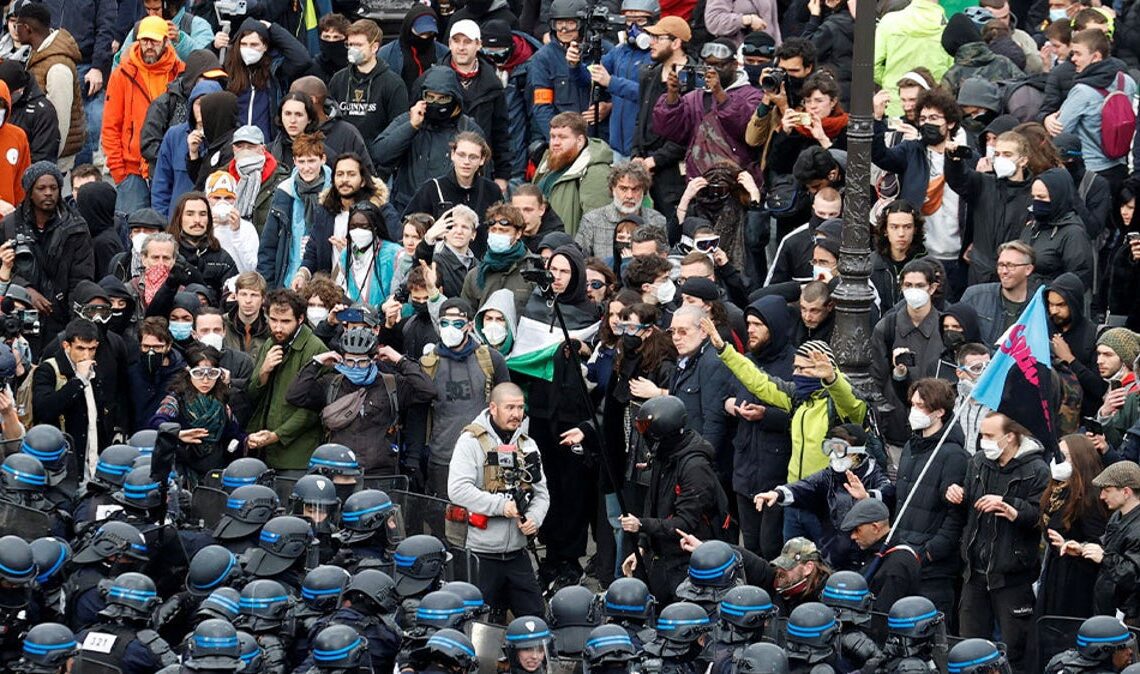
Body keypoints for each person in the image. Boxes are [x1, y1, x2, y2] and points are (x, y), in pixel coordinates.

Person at [949, 412, 1050, 672]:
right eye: (982, 435)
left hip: (1012, 576)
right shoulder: (979, 462)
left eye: (989, 436)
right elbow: (966, 505)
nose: (983, 441)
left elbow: (1042, 516)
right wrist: (954, 492)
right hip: (974, 572)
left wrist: (1012, 508)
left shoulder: (1037, 469)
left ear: (1010, 437)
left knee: (1014, 649)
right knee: (969, 645)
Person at [449, 382, 550, 617]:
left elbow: (542, 493)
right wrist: (502, 506)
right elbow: (457, 490)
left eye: (520, 408)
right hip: (479, 554)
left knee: (536, 620)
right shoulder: (471, 441)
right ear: (493, 408)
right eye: (510, 408)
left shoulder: (528, 445)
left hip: (517, 553)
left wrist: (534, 518)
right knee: (477, 624)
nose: (516, 414)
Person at [618, 395, 726, 603]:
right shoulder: (664, 456)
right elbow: (652, 503)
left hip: (689, 561)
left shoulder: (695, 469)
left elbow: (685, 524)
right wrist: (642, 546)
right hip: (663, 558)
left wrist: (641, 525)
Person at [287, 326, 435, 475]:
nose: (356, 366)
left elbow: (427, 391)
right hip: (339, 470)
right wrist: (316, 362)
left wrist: (400, 360)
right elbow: (295, 395)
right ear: (341, 359)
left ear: (374, 359)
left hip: (380, 473)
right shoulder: (331, 384)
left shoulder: (391, 385)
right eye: (350, 361)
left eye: (362, 361)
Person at [406, 298, 511, 496]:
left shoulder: (491, 359)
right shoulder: (428, 363)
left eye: (457, 323)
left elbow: (508, 409)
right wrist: (414, 459)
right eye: (444, 323)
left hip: (484, 457)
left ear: (469, 325)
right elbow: (417, 414)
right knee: (442, 520)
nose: (450, 328)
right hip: (442, 458)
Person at [371, 66, 487, 215]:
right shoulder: (410, 120)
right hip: (407, 211)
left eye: (442, 98)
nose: (435, 102)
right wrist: (411, 127)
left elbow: (482, 177)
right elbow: (380, 154)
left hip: (452, 212)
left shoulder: (468, 129)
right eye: (430, 97)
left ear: (455, 98)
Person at [100, 15, 184, 213]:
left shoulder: (179, 72)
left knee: (165, 230)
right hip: (131, 170)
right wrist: (118, 170)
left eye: (154, 41)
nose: (148, 46)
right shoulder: (122, 73)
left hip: (166, 166)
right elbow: (110, 125)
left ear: (166, 41)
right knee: (131, 233)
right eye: (144, 40)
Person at [652, 38, 763, 188]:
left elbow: (745, 130)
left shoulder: (753, 96)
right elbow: (668, 130)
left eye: (719, 65)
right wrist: (672, 95)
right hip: (699, 182)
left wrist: (719, 93)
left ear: (735, 65)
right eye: (707, 64)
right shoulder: (695, 96)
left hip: (738, 184)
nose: (711, 70)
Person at [0, 162, 93, 337]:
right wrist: (25, 290)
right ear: (30, 192)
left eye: (54, 188)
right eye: (41, 188)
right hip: (19, 313)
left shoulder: (76, 227)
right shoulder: (10, 225)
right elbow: (3, 270)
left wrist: (74, 321)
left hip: (63, 315)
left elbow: (82, 277)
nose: (48, 193)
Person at [1044, 29, 1136, 195]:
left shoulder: (1082, 91)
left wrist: (1048, 119)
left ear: (1096, 56)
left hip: (1091, 172)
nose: (1073, 59)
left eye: (1078, 54)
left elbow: (1060, 132)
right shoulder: (1126, 81)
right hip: (1121, 167)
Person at [245, 288, 327, 474]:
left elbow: (311, 412)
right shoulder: (270, 343)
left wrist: (277, 435)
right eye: (273, 320)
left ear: (300, 319)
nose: (278, 328)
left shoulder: (316, 349)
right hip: (264, 451)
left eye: (285, 321)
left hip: (297, 457)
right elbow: (252, 394)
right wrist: (263, 372)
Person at [632, 16, 694, 238]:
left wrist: (655, 160)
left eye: (658, 37)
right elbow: (640, 118)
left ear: (676, 43)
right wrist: (636, 154)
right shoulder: (649, 73)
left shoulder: (693, 79)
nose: (651, 42)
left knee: (673, 232)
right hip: (645, 167)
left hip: (674, 174)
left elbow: (690, 133)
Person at [870, 261, 944, 445]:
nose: (913, 290)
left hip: (935, 429)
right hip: (894, 430)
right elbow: (875, 379)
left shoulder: (945, 327)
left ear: (932, 288)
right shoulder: (886, 327)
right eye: (908, 285)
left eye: (920, 285)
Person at [1038, 434, 1107, 622]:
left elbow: (1098, 541)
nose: (1058, 461)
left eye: (1065, 456)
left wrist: (1072, 544)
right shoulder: (1057, 490)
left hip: (1077, 581)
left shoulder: (1090, 498)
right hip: (1055, 572)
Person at [31, 319, 104, 479]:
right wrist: (78, 381)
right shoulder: (48, 370)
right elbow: (44, 409)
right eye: (80, 348)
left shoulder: (95, 370)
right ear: (66, 346)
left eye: (91, 349)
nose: (86, 355)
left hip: (91, 464)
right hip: (60, 468)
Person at [13, 4, 84, 165]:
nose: (15, 31)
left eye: (17, 26)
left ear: (27, 28)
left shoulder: (58, 67)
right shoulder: (38, 53)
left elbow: (60, 121)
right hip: (40, 152)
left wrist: (47, 163)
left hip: (53, 160)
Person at [138, 49, 227, 178]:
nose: (212, 83)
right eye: (207, 78)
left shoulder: (222, 103)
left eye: (216, 79)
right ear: (193, 78)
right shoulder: (165, 102)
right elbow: (148, 144)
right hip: (170, 177)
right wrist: (177, 158)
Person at [221, 18, 310, 145]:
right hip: (235, 144)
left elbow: (302, 59)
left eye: (254, 45)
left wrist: (273, 28)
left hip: (267, 144)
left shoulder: (275, 70)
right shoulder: (228, 67)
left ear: (265, 46)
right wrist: (214, 46)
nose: (248, 49)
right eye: (244, 44)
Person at [328, 19, 409, 146]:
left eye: (358, 45)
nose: (352, 50)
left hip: (377, 159)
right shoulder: (338, 80)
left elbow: (398, 129)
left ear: (374, 47)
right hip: (342, 157)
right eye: (350, 45)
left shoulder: (393, 83)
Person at [532, 112, 614, 236]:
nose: (555, 143)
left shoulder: (596, 172)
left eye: (562, 137)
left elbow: (598, 227)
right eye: (552, 137)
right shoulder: (548, 163)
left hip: (568, 251)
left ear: (580, 141)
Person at [149, 79, 223, 217]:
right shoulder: (174, 135)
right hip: (176, 223)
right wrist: (163, 222)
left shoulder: (226, 139)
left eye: (208, 104)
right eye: (198, 104)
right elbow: (161, 185)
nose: (202, 109)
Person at [402, 132, 504, 226]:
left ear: (482, 160)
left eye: (473, 157)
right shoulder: (432, 188)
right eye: (461, 155)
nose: (466, 162)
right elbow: (408, 224)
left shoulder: (492, 190)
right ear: (452, 155)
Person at [873, 0, 953, 118]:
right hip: (932, 108)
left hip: (895, 102)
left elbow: (874, 66)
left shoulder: (889, 22)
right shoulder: (948, 28)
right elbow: (951, 71)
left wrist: (890, 82)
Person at [840, 498, 922, 610]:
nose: (852, 536)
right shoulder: (874, 552)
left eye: (857, 530)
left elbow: (882, 614)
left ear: (875, 528)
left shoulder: (898, 564)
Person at [1020, 168, 1094, 290]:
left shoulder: (1073, 233)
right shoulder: (1032, 226)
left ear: (1058, 197)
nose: (1036, 202)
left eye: (1042, 197)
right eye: (1034, 197)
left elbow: (1078, 278)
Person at [960, 240, 1042, 346]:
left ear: (1028, 269)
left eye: (1011, 265)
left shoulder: (1038, 306)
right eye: (1000, 265)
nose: (1004, 271)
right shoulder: (974, 297)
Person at [576, 163, 666, 258]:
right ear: (612, 189)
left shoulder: (657, 221)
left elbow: (664, 261)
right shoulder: (592, 221)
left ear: (644, 191)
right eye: (623, 189)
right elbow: (579, 260)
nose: (629, 196)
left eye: (636, 189)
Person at [460, 203, 533, 315]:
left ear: (518, 233)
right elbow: (466, 316)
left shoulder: (533, 271)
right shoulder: (476, 275)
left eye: (504, 230)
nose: (497, 234)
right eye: (493, 230)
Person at [126, 316, 184, 428]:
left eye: (157, 347)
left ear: (168, 346)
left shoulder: (181, 374)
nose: (151, 352)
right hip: (138, 438)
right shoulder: (132, 372)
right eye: (146, 346)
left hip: (168, 437)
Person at [377, 7, 449, 94]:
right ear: (408, 27)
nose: (425, 37)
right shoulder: (387, 54)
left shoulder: (444, 53)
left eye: (430, 33)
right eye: (421, 33)